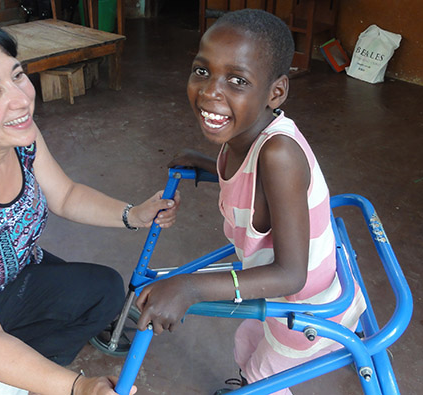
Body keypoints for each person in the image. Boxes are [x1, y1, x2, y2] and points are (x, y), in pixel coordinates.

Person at [0, 20, 179, 395]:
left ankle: (12, 361)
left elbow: (66, 195)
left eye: (17, 75)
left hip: (14, 270)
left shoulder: (15, 136)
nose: (22, 99)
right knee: (22, 334)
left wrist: (133, 214)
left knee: (105, 292)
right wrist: (79, 388)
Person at [134, 9, 366, 395]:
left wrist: (189, 288)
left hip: (307, 309)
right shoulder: (242, 133)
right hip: (280, 295)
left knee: (261, 379)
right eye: (202, 71)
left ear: (275, 92)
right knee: (246, 343)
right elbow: (247, 180)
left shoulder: (279, 156)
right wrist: (210, 165)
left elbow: (292, 274)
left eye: (237, 80)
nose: (210, 91)